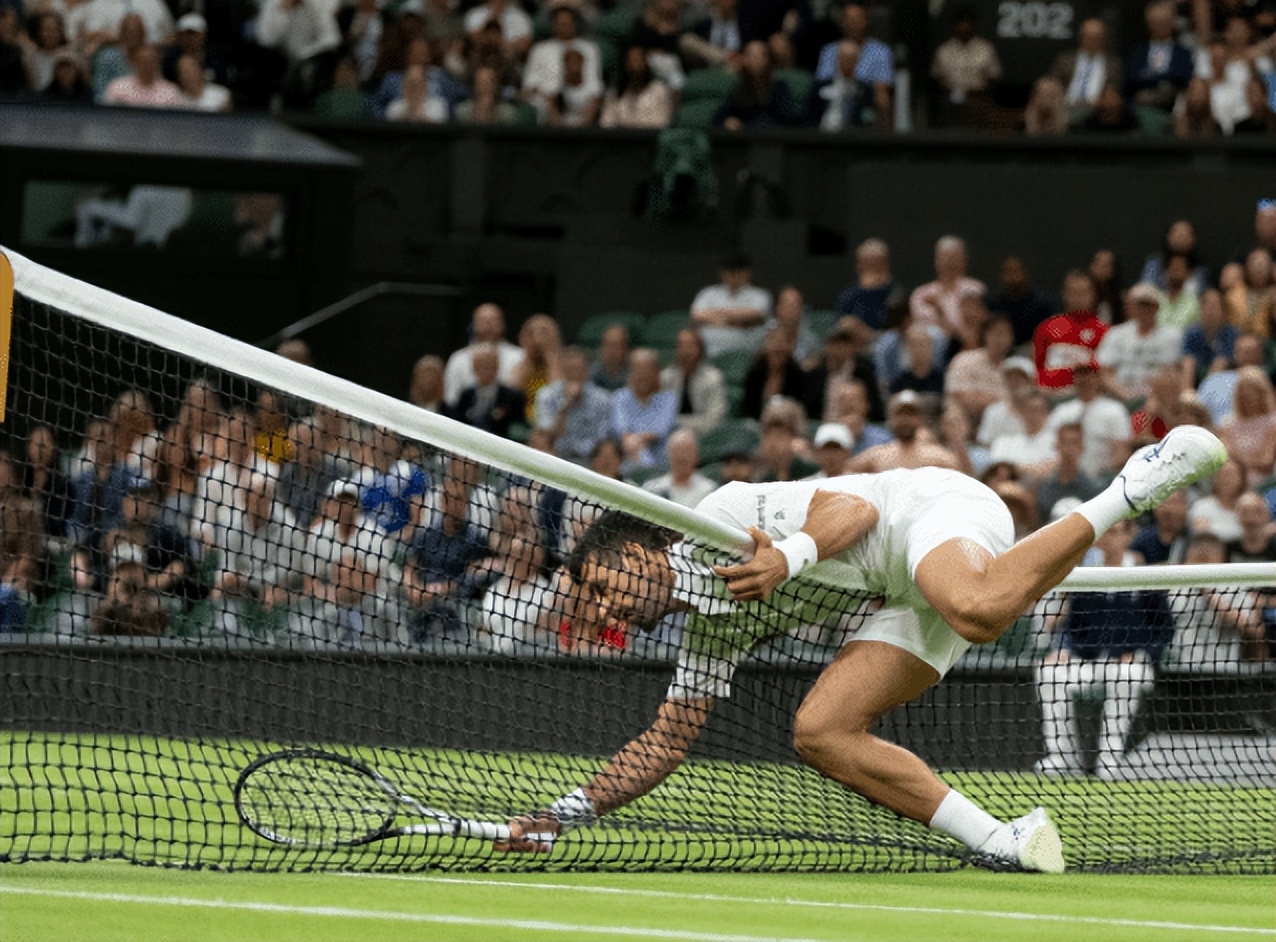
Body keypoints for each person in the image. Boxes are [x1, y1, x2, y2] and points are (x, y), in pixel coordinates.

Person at [498, 418, 1228, 869]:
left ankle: (1126, 489)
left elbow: (849, 505)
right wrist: (563, 816)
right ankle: (1002, 839)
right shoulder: (709, 631)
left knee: (976, 608)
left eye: (597, 586)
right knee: (820, 730)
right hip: (899, 590)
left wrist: (787, 556)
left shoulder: (718, 521)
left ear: (638, 553)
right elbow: (663, 741)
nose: (599, 611)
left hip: (927, 512)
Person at [1034, 519, 1175, 780]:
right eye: (1105, 533)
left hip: (1133, 665)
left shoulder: (1144, 577)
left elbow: (1165, 629)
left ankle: (1109, 759)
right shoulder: (1087, 577)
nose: (1109, 538)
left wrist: (1142, 653)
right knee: (1049, 673)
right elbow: (1069, 626)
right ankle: (1061, 757)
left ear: (1128, 535)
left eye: (1115, 532)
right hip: (1088, 661)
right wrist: (1062, 648)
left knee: (1125, 675)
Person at [1095, 282, 1184, 403]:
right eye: (1140, 305)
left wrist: (1145, 395)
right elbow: (1105, 372)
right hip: (1117, 396)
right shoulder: (1115, 334)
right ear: (1131, 307)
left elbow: (1168, 373)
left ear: (1157, 307)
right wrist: (1124, 394)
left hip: (1154, 400)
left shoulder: (1171, 335)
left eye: (1149, 305)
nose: (1144, 309)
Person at [1044, 361, 1131, 483]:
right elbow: (1048, 445)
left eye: (1088, 375)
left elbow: (1121, 451)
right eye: (1079, 375)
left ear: (1098, 378)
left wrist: (1106, 475)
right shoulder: (1062, 411)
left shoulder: (1114, 410)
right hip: (1063, 477)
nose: (1084, 380)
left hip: (1099, 478)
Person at [1033, 270, 1108, 394]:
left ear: (1093, 295)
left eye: (1083, 292)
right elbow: (1037, 367)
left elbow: (1104, 372)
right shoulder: (1047, 327)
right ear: (1064, 294)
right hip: (1049, 395)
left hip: (1086, 395)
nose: (1078, 297)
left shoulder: (1103, 331)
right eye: (1073, 292)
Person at [536, 346, 614, 463]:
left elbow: (601, 439)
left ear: (587, 371)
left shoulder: (603, 399)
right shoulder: (547, 395)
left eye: (579, 369)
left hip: (590, 461)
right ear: (562, 371)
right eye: (570, 370)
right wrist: (565, 406)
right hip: (554, 458)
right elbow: (547, 437)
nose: (575, 374)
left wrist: (579, 452)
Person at [850, 390, 958, 473]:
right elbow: (845, 473)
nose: (905, 420)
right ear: (890, 418)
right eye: (900, 414)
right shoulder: (876, 457)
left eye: (911, 414)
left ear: (921, 418)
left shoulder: (939, 458)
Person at [610, 348, 679, 475]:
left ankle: (646, 474)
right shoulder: (620, 397)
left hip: (661, 466)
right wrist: (634, 442)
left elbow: (658, 432)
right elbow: (623, 432)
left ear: (657, 373)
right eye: (638, 369)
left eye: (648, 369)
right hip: (627, 460)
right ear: (630, 373)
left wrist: (636, 440)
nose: (643, 374)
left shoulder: (669, 399)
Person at [689, 253, 772, 357]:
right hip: (710, 354)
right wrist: (736, 322)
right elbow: (696, 315)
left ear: (747, 273)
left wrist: (714, 318)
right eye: (729, 271)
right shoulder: (707, 293)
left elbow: (756, 314)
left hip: (748, 354)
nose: (734, 276)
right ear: (721, 273)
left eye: (738, 271)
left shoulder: (761, 295)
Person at [443, 303, 524, 407]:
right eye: (483, 321)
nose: (488, 325)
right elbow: (451, 398)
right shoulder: (458, 358)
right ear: (474, 324)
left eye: (493, 321)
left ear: (503, 324)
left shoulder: (520, 356)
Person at [908, 235, 985, 341]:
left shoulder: (975, 289)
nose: (950, 264)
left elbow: (971, 331)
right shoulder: (921, 294)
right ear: (937, 261)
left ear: (964, 261)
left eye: (955, 258)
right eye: (946, 258)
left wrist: (941, 312)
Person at [1124, 0, 1193, 112]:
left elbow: (1184, 79)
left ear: (1172, 23)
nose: (1160, 27)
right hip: (1141, 108)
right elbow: (1130, 81)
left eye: (1164, 22)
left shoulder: (1184, 53)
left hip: (1173, 107)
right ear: (1148, 24)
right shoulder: (1136, 54)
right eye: (1156, 23)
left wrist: (1150, 78)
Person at [660, 327, 727, 437]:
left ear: (700, 349)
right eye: (681, 346)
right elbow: (660, 417)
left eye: (690, 346)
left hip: (704, 437)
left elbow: (715, 420)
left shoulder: (713, 378)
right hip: (670, 437)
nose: (685, 351)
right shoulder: (665, 377)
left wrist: (678, 424)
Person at [833, 237, 905, 331]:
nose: (874, 270)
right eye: (869, 264)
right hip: (855, 342)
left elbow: (897, 325)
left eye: (878, 264)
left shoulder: (895, 293)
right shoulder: (848, 296)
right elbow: (837, 327)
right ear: (859, 266)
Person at [641, 429, 716, 508]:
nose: (682, 457)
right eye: (677, 452)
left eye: (687, 452)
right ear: (669, 455)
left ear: (696, 456)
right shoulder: (653, 488)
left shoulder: (708, 491)